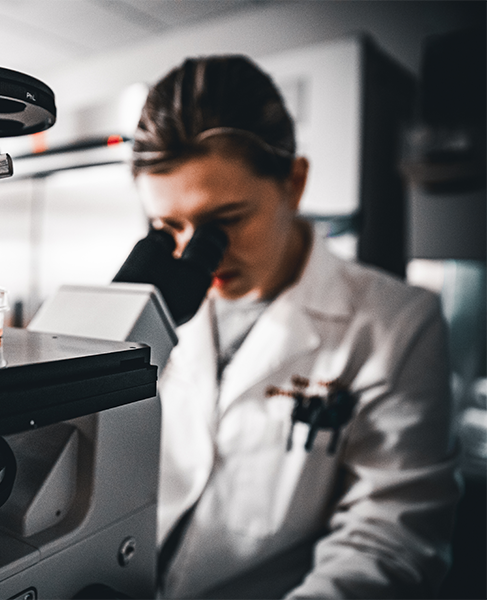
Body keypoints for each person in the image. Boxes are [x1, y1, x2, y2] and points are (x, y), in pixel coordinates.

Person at [130, 55, 460, 599]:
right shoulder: (152, 307)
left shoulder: (396, 323)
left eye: (227, 221)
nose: (198, 256)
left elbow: (389, 538)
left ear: (295, 183)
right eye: (169, 226)